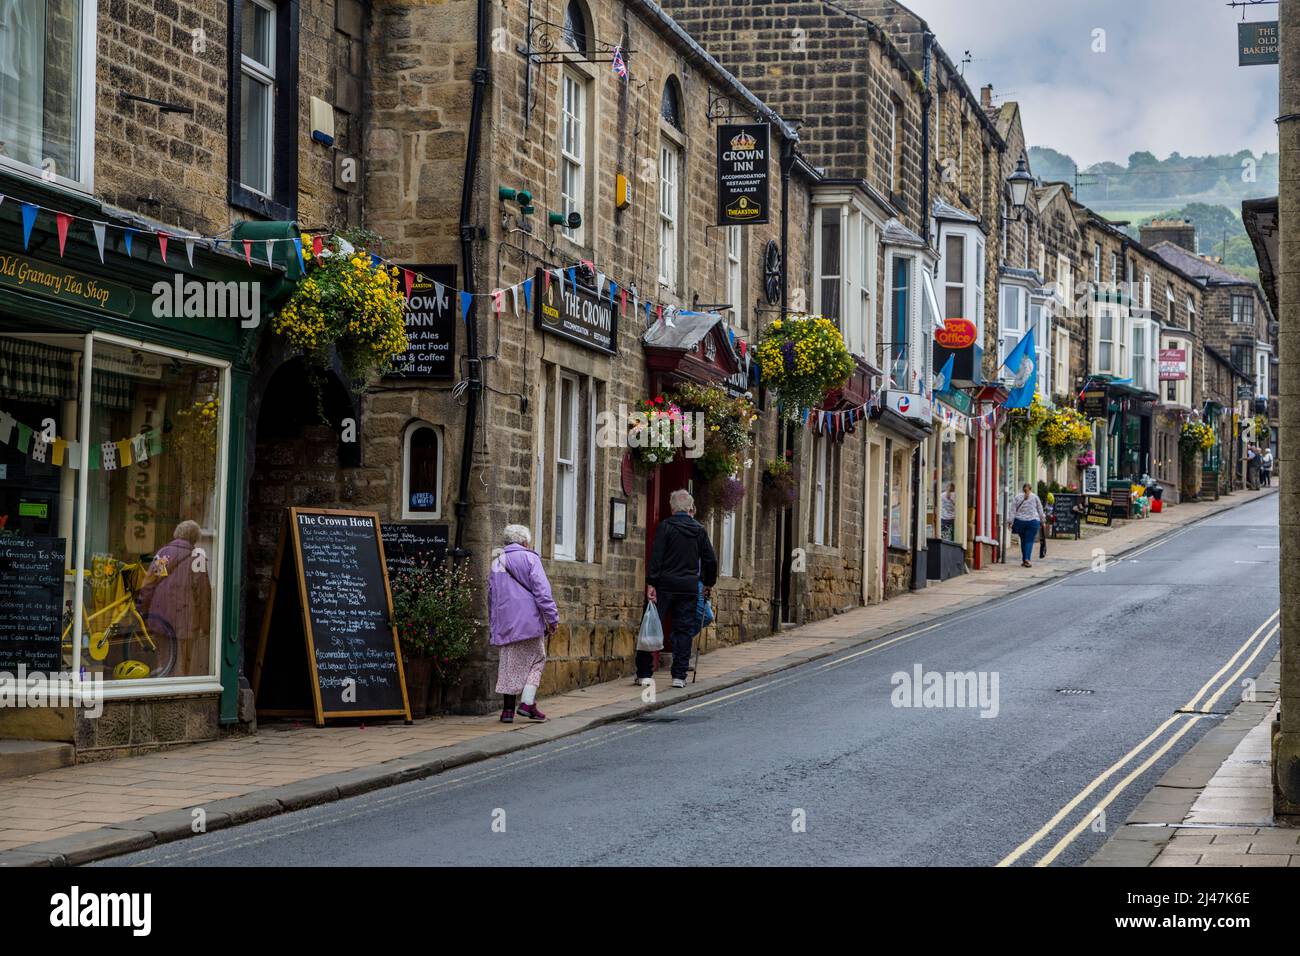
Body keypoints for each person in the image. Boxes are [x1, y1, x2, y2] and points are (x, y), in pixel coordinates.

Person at [642, 489, 718, 689]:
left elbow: (656, 557)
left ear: (672, 507)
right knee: (683, 630)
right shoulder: (699, 530)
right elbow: (710, 560)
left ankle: (644, 673)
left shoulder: (665, 527)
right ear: (690, 507)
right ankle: (679, 676)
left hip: (665, 585)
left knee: (650, 626)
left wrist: (652, 582)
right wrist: (708, 583)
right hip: (688, 587)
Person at [488, 524, 558, 723]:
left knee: (509, 665)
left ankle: (507, 711)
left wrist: (494, 627)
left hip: (505, 624)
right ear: (525, 541)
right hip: (529, 623)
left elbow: (491, 597)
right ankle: (527, 703)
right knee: (537, 660)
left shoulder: (497, 563)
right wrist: (553, 619)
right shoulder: (530, 558)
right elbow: (543, 593)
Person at [136, 520, 211, 675]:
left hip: (161, 619)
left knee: (164, 662)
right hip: (186, 621)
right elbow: (203, 595)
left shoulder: (163, 554)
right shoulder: (197, 558)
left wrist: (142, 610)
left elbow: (149, 584)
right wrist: (206, 624)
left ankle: (162, 691)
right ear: (194, 538)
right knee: (182, 665)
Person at [1009, 483, 1046, 569]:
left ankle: (1024, 560)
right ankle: (1027, 559)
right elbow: (1040, 510)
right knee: (1029, 541)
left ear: (1023, 489)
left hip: (1020, 522)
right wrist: (1043, 521)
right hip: (1033, 522)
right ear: (1030, 489)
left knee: (1023, 540)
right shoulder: (1035, 497)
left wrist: (1010, 521)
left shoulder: (1017, 497)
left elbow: (1013, 510)